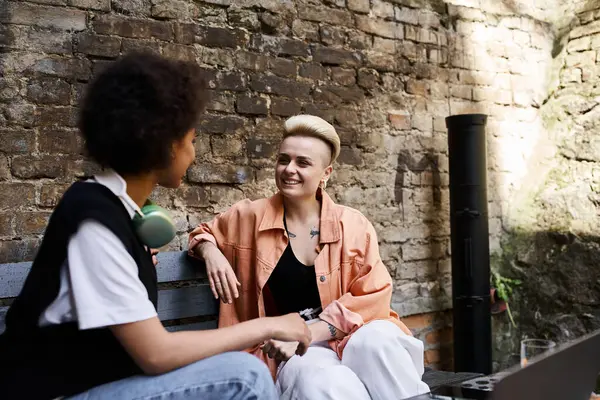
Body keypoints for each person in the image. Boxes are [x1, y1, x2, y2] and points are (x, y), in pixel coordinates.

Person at [0, 52, 310, 400]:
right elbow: (156, 354)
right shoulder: (95, 223)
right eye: (191, 141)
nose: (193, 154)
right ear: (165, 143)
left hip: (99, 383)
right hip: (51, 393)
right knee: (245, 377)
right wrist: (271, 324)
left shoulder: (117, 210)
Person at [188, 115, 431, 400]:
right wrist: (211, 252)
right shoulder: (250, 216)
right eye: (283, 160)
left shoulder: (353, 225)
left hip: (351, 334)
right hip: (299, 350)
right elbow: (201, 235)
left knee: (379, 343)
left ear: (325, 173)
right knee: (321, 382)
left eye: (303, 162)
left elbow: (372, 298)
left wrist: (308, 331)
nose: (289, 169)